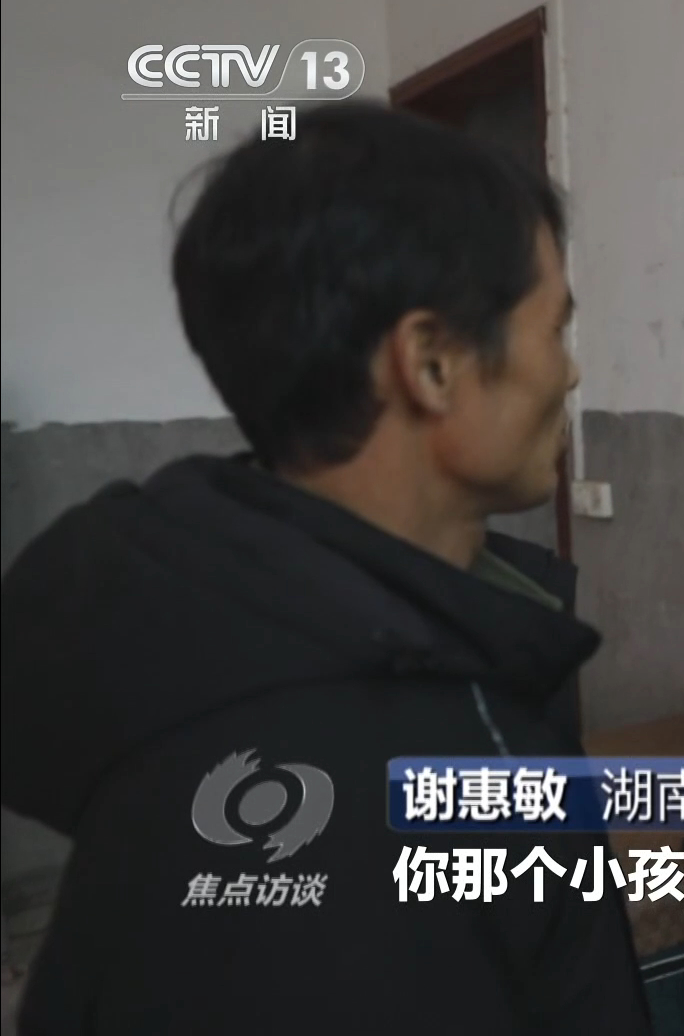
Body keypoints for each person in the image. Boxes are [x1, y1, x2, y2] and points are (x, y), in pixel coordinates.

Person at [0, 104, 650, 1034]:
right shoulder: (399, 789)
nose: (570, 374)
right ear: (431, 364)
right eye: (555, 329)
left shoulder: (178, 626)